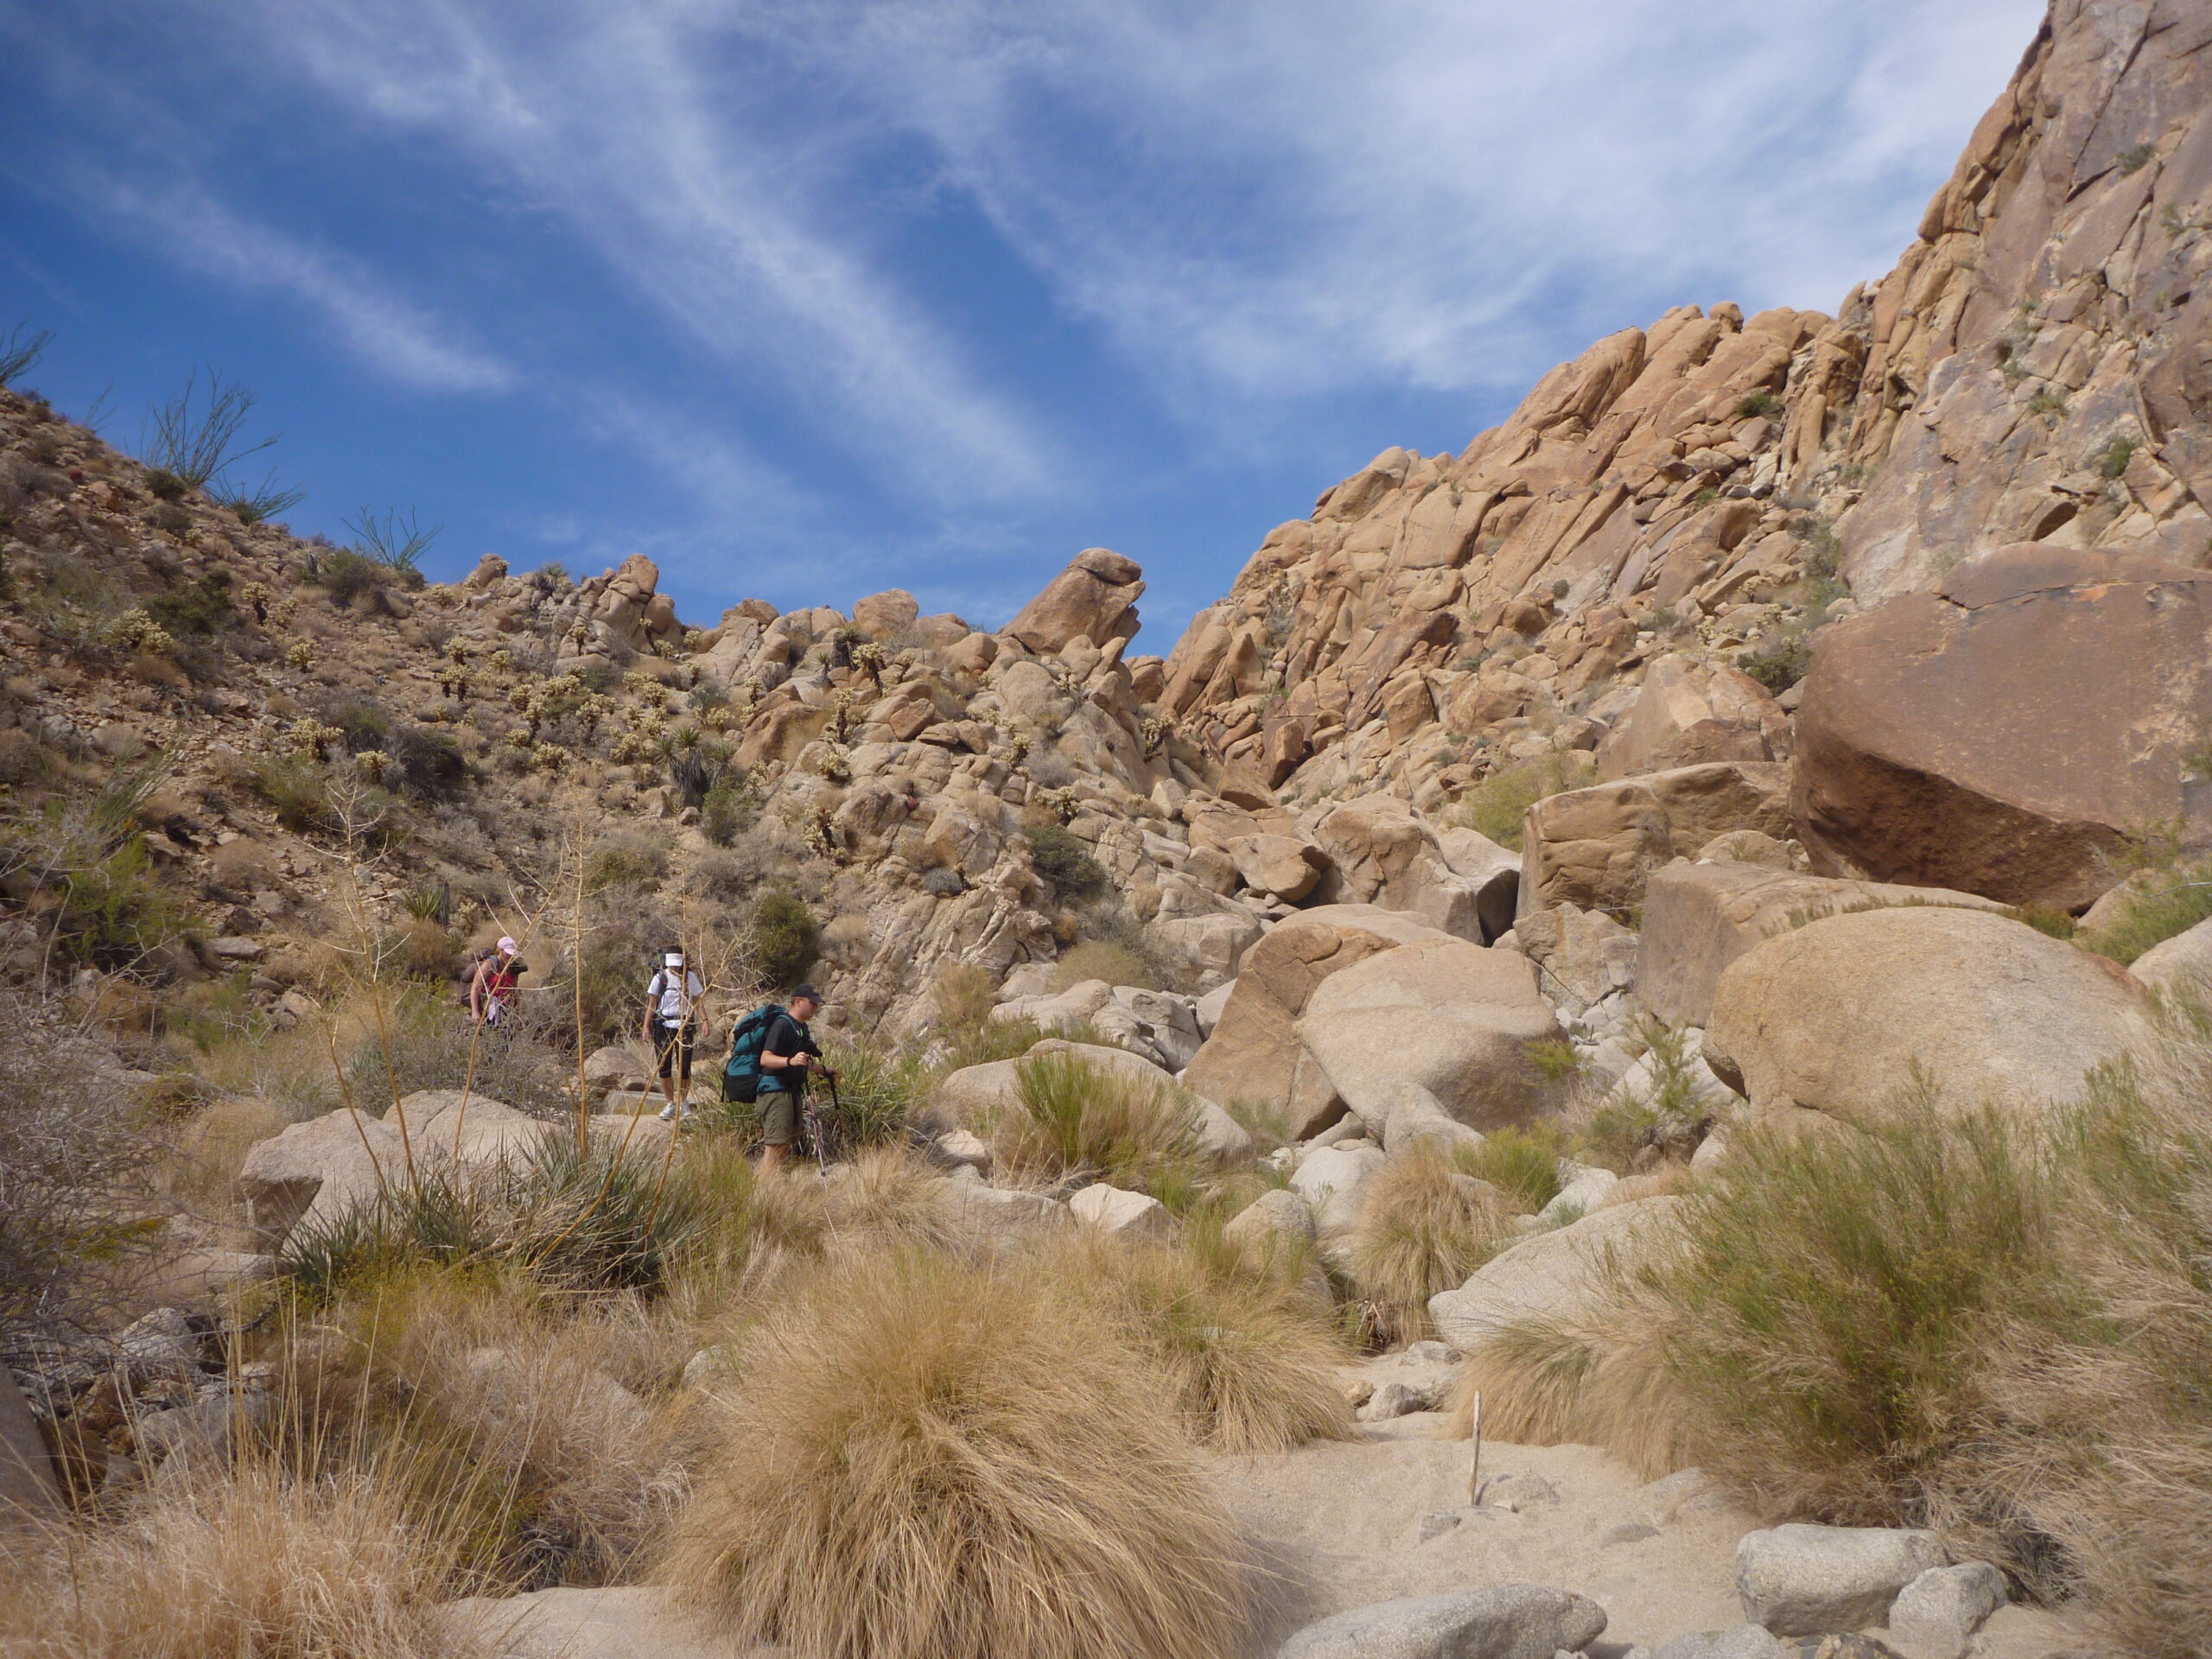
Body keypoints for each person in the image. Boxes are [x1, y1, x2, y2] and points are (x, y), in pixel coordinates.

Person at [757, 983, 831, 1173]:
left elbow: (802, 1062)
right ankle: (763, 1193)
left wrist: (825, 1070)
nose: (816, 1007)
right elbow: (765, 1059)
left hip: (791, 1092)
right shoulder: (782, 1024)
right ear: (798, 1002)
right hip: (776, 1092)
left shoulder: (801, 1028)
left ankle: (778, 1189)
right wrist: (789, 1061)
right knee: (775, 1145)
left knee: (786, 1144)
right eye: (812, 1003)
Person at [646, 946, 710, 1122]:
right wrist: (646, 1027)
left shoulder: (690, 978)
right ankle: (670, 1103)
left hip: (685, 1023)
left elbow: (698, 1000)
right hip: (664, 1024)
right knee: (664, 1066)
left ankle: (683, 1102)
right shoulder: (660, 978)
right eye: (673, 966)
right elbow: (651, 1004)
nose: (676, 969)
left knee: (685, 1066)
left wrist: (705, 1021)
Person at [468, 937, 521, 1027]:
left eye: (512, 954)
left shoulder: (512, 968)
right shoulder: (489, 965)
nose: (510, 957)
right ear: (500, 950)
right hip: (488, 1007)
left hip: (505, 1007)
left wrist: (517, 1014)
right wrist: (475, 1011)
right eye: (507, 954)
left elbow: (513, 990)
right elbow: (475, 987)